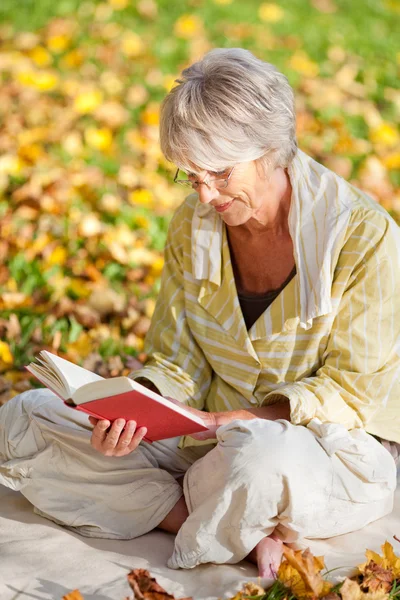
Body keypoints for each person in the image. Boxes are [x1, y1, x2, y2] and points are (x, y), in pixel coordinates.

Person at [1, 48, 400, 578]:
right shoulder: (192, 225)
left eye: (217, 172)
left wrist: (236, 422)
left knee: (260, 460)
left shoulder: (364, 236)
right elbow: (176, 361)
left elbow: (353, 391)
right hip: (206, 445)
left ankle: (204, 508)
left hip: (320, 449)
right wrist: (135, 407)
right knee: (26, 417)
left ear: (269, 149)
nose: (205, 193)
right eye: (189, 176)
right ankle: (213, 520)